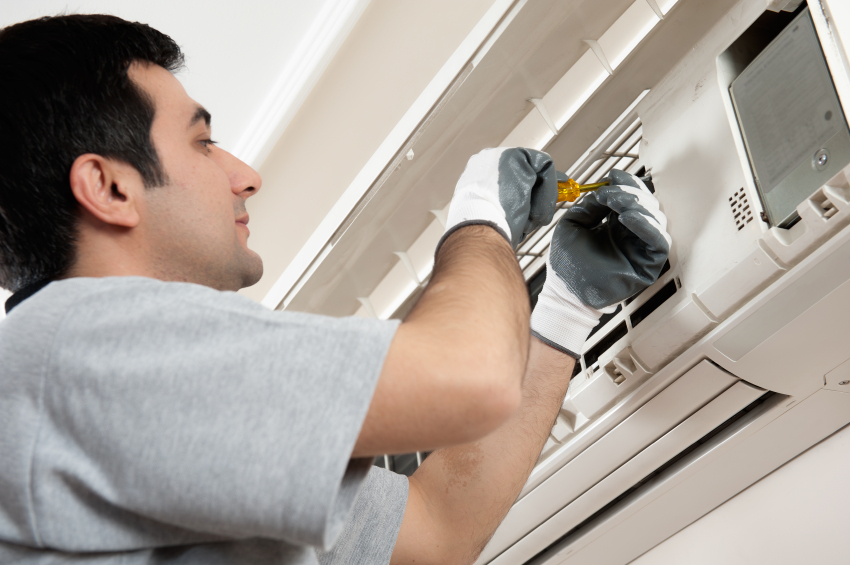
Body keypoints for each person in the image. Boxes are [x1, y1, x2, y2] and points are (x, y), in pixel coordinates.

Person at [0, 14, 670, 565]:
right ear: (109, 187)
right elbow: (472, 378)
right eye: (203, 143)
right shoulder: (76, 345)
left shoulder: (137, 407)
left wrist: (562, 308)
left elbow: (436, 531)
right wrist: (479, 221)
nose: (245, 175)